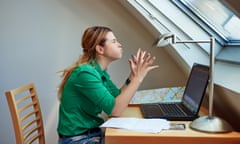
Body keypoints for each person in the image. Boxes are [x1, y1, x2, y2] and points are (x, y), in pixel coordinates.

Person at [57, 26, 159, 144]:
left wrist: (133, 75)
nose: (119, 45)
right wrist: (138, 78)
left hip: (91, 133)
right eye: (114, 41)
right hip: (79, 139)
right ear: (100, 49)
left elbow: (117, 97)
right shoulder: (85, 73)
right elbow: (115, 110)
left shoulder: (98, 71)